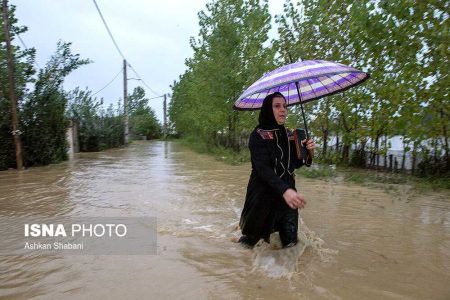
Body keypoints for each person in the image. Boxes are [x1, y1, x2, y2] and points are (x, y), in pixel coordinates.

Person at [239, 92, 315, 248]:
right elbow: (263, 170)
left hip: (287, 199)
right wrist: (285, 190)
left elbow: (293, 164)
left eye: (285, 106)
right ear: (268, 109)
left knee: (291, 246)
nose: (283, 110)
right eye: (277, 106)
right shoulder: (258, 136)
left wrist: (309, 153)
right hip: (262, 197)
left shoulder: (288, 135)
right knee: (249, 245)